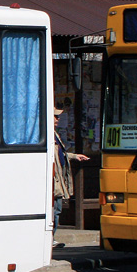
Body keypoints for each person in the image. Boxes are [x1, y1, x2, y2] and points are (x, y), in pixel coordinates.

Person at [53, 105, 89, 248]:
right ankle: (50, 238)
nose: (57, 119)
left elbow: (60, 155)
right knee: (55, 209)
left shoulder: (55, 135)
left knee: (57, 209)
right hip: (54, 180)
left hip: (59, 178)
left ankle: (51, 237)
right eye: (55, 116)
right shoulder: (48, 135)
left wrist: (74, 156)